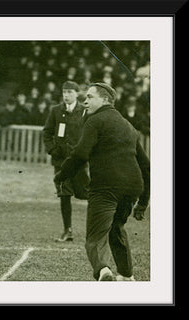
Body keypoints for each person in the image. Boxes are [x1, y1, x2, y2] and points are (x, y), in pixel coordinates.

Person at [54, 83, 150, 281]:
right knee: (116, 228)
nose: (85, 101)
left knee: (95, 237)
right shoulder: (127, 125)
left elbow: (80, 154)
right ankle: (126, 275)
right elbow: (146, 166)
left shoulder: (94, 120)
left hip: (106, 187)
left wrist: (61, 176)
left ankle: (103, 271)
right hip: (132, 188)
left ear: (105, 99)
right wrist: (142, 202)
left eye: (89, 97)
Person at [42, 81, 90, 242]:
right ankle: (67, 230)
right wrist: (52, 149)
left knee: (86, 193)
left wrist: (84, 153)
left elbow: (91, 133)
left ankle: (96, 229)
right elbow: (47, 132)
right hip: (60, 162)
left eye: (70, 92)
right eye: (64, 92)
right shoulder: (56, 111)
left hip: (79, 162)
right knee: (64, 193)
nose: (66, 95)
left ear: (77, 94)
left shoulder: (84, 112)